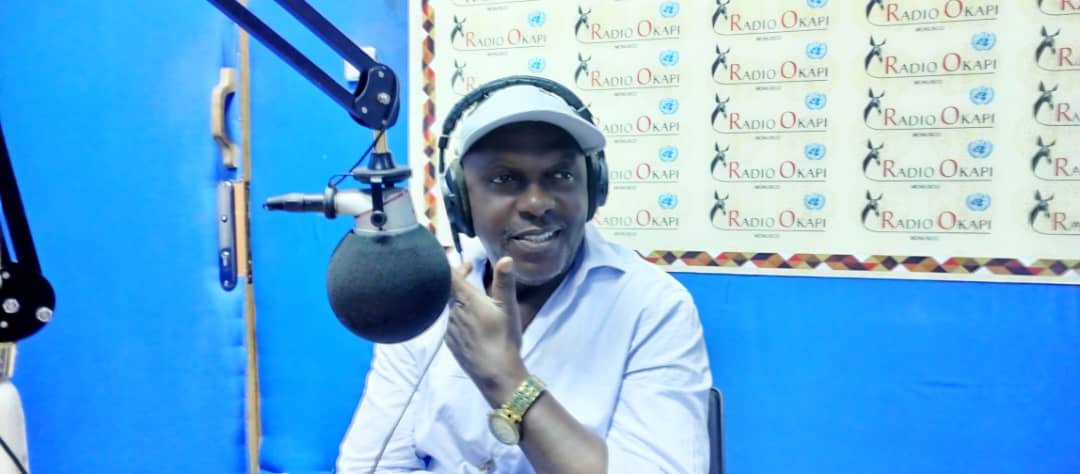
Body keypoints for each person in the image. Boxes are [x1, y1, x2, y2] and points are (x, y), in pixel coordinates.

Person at [337, 80, 711, 473]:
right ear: (461, 201)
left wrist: (506, 378)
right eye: (504, 178)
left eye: (561, 175)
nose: (537, 203)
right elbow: (369, 466)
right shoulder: (428, 293)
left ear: (594, 187)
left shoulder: (653, 305)